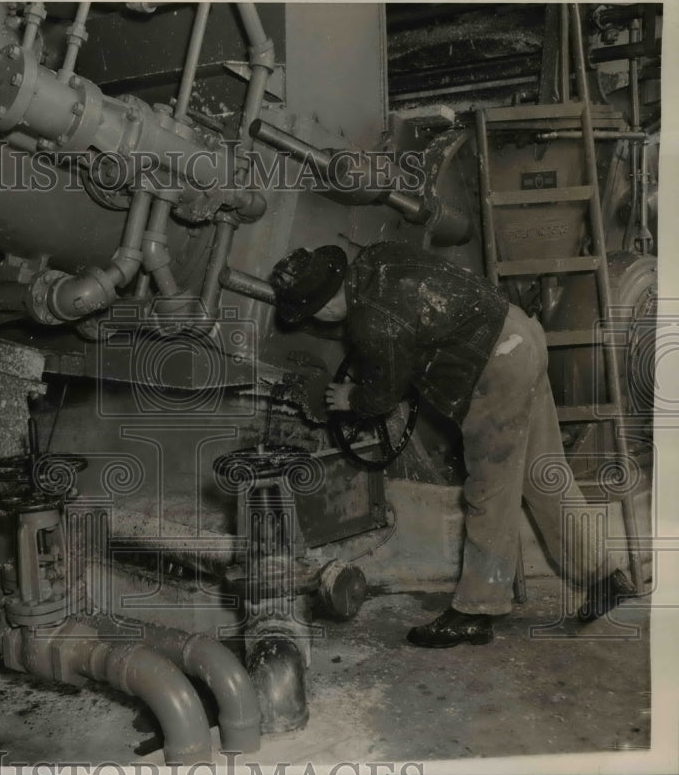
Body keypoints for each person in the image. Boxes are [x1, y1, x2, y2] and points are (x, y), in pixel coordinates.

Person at [269, 241, 637, 647]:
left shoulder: (373, 320)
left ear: (322, 308)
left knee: (489, 492)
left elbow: (383, 396)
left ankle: (476, 611)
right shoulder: (377, 259)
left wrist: (349, 398)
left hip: (496, 366)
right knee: (542, 472)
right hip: (521, 334)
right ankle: (604, 577)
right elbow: (410, 327)